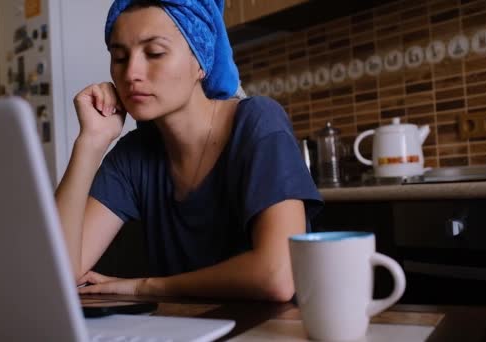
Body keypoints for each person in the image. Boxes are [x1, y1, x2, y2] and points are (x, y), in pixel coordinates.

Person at [54, 0, 323, 302]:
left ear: (200, 62)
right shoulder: (133, 155)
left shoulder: (258, 122)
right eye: (119, 57)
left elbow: (277, 276)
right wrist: (90, 142)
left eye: (154, 53)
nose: (131, 73)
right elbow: (55, 273)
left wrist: (145, 287)